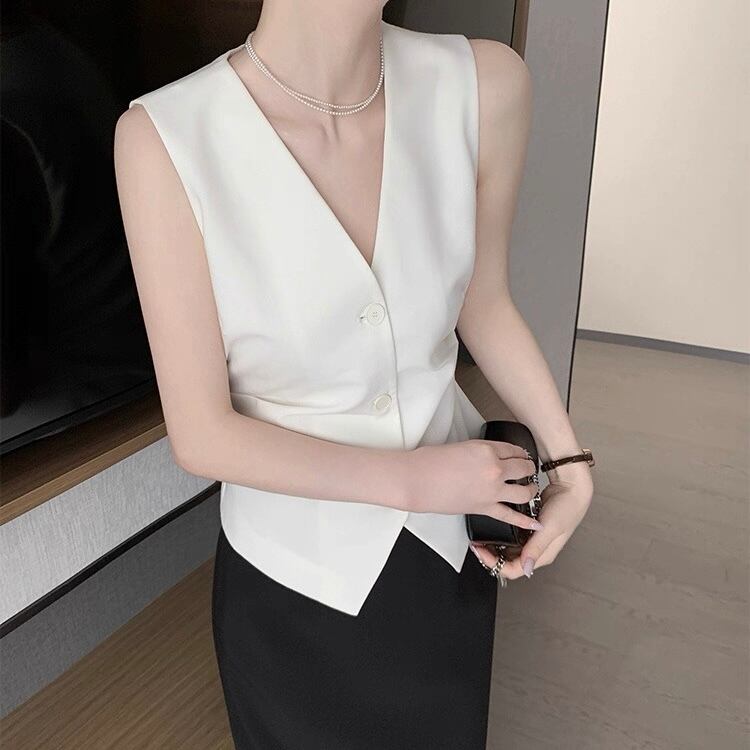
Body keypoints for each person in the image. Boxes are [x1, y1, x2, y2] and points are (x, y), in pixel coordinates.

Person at [114, 2, 594, 748]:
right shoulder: (164, 135)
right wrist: (415, 482)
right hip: (290, 582)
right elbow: (201, 434)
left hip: (448, 558)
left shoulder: (484, 84)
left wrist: (569, 460)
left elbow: (483, 299)